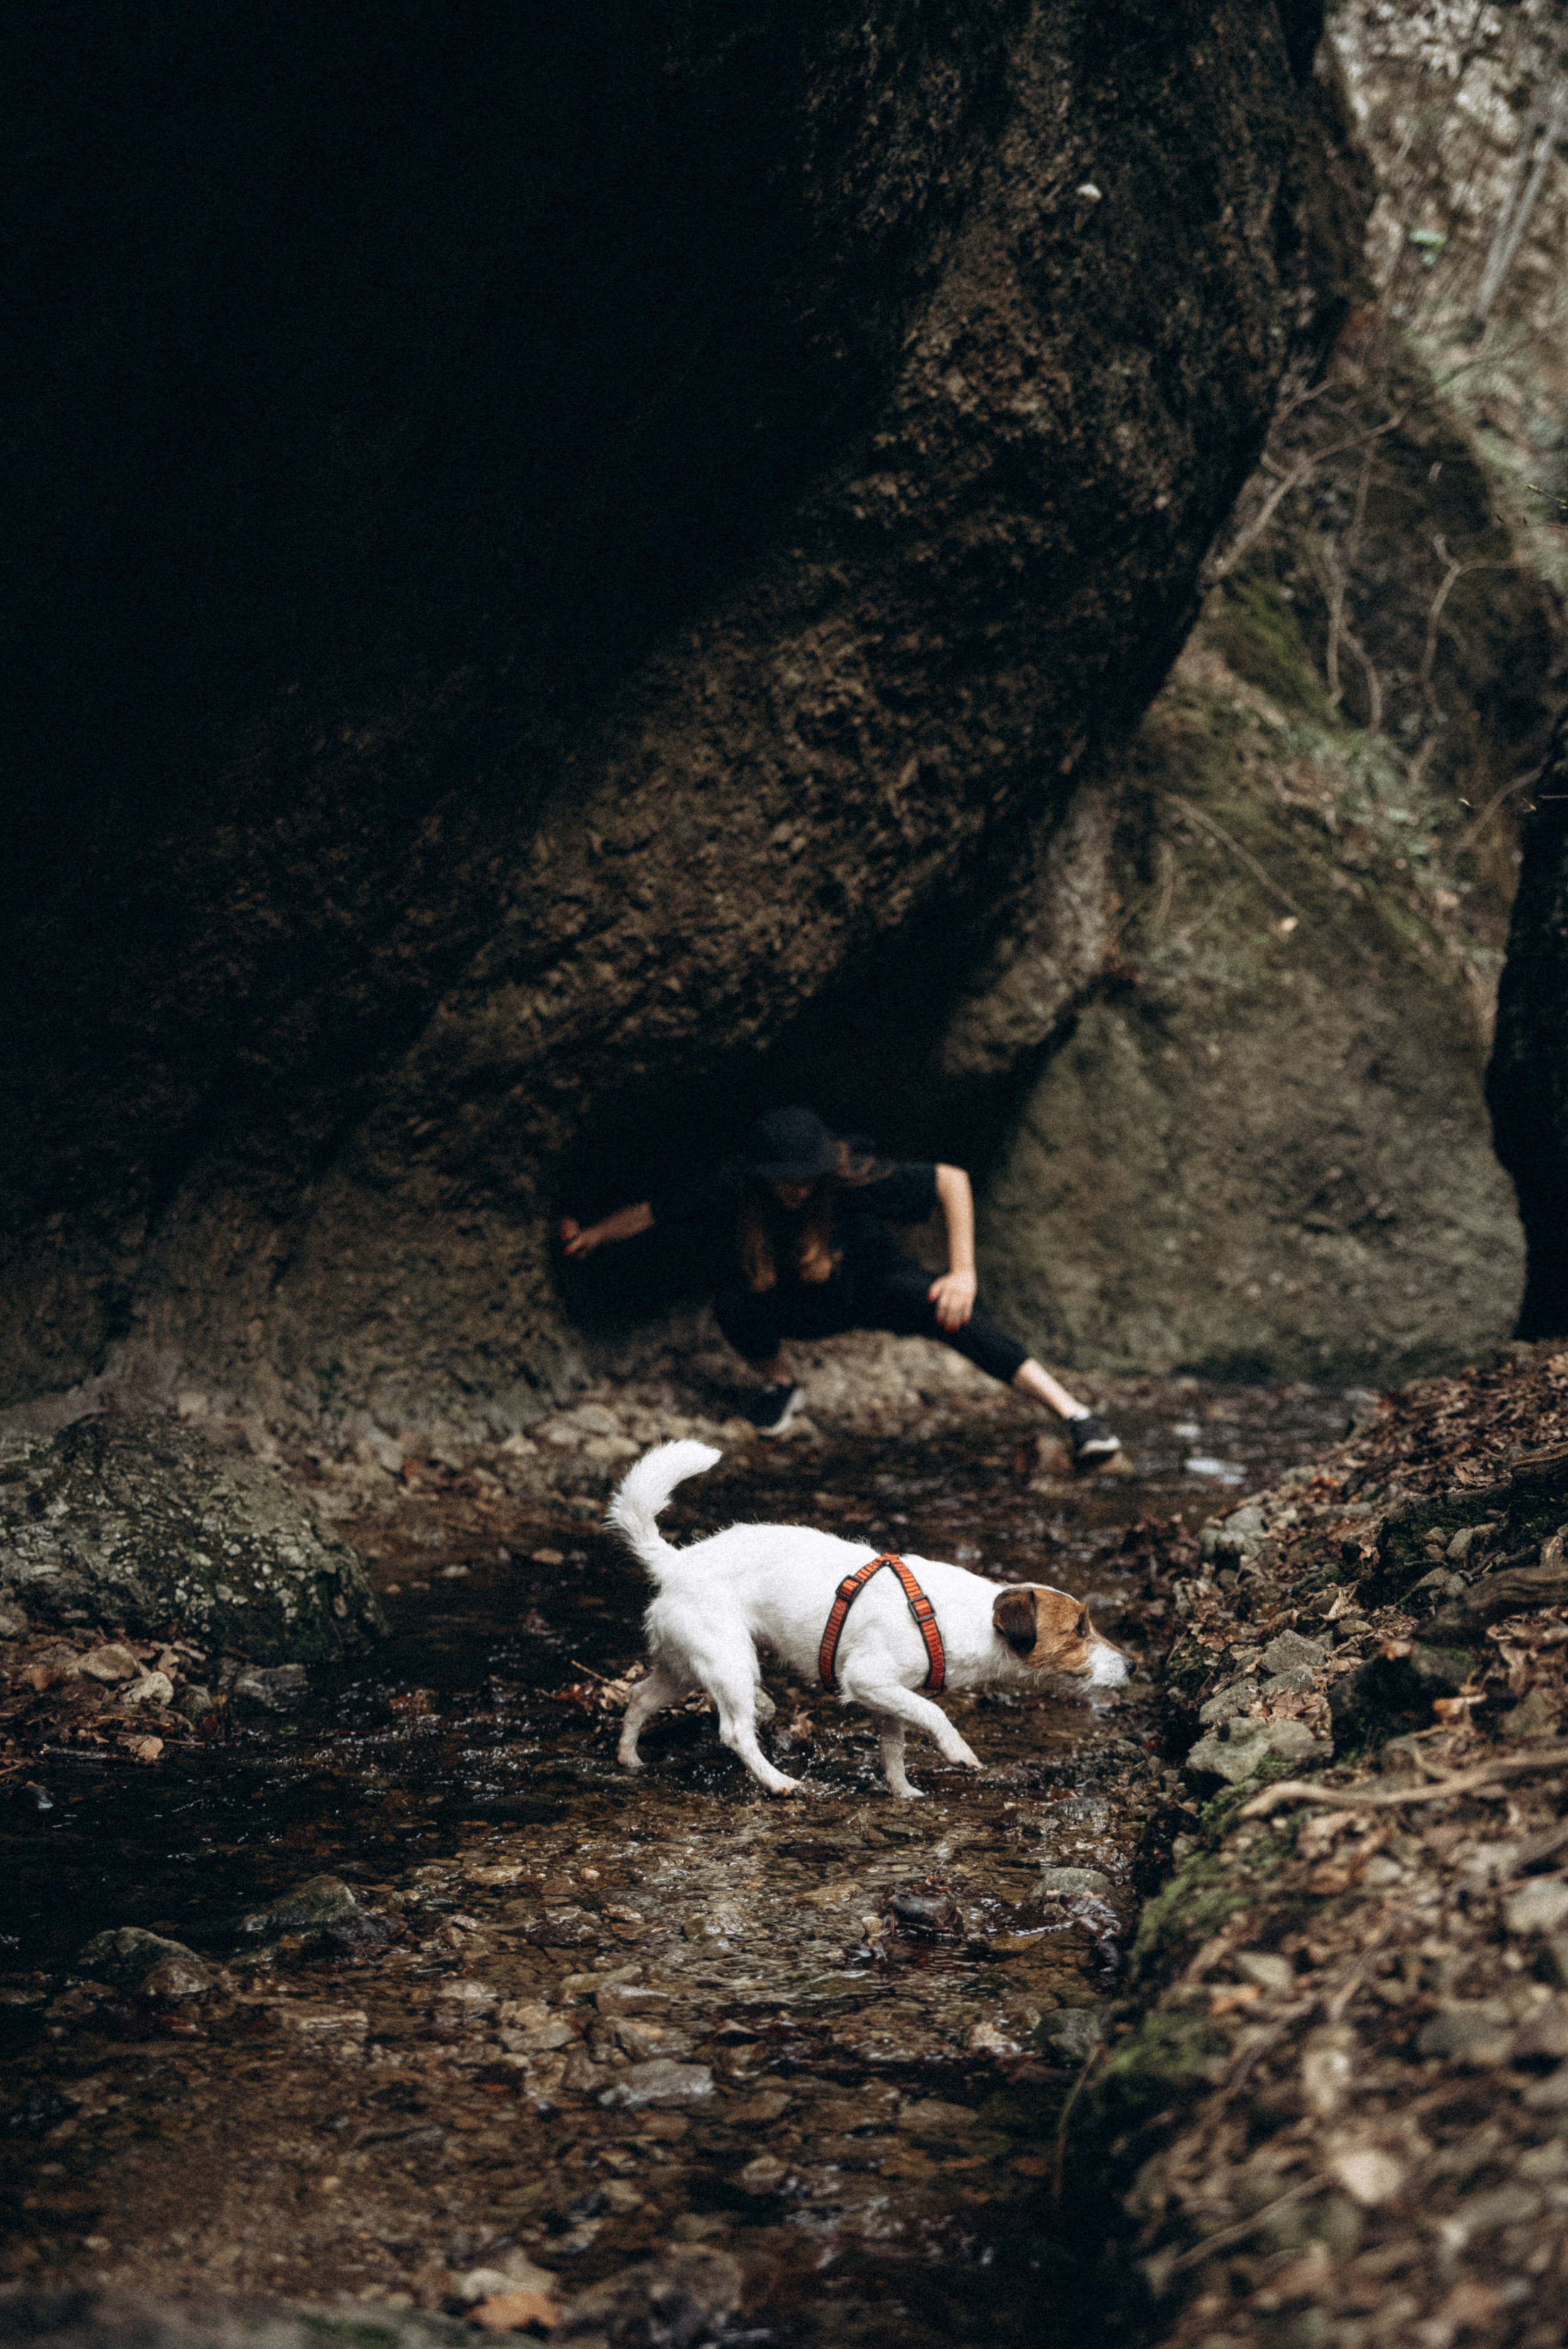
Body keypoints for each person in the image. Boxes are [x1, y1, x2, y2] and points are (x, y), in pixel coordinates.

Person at [560, 1105, 1122, 1466]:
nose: (799, 1189)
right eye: (787, 1180)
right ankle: (780, 1387)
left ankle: (1075, 1416)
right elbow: (655, 1211)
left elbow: (953, 1180)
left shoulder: (852, 1174)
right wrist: (593, 1235)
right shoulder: (736, 1188)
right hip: (801, 1303)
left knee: (955, 1313)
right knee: (734, 1303)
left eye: (808, 1177)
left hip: (877, 1286)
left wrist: (963, 1272)